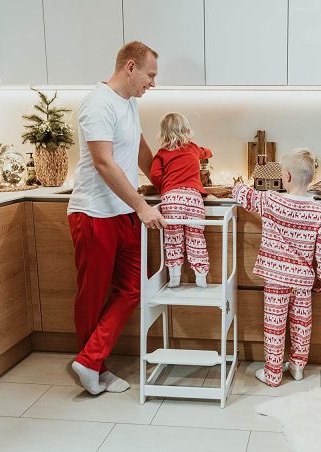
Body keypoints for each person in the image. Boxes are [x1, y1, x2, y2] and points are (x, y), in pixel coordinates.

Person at [67, 41, 167, 395]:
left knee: (132, 289)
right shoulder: (97, 103)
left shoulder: (129, 104)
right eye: (150, 75)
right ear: (130, 66)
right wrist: (142, 206)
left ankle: (90, 361)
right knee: (92, 296)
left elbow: (139, 150)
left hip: (124, 211)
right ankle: (96, 367)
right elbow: (103, 162)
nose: (152, 83)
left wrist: (166, 182)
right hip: (95, 214)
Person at [232, 148, 321, 387]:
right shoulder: (318, 210)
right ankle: (297, 366)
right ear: (311, 178)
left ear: (286, 177)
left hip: (276, 279)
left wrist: (237, 185)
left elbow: (243, 195)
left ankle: (273, 373)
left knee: (274, 325)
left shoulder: (271, 200)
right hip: (303, 280)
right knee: (301, 323)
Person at [150, 113, 212, 288]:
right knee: (196, 237)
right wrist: (206, 152)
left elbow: (155, 175)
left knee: (173, 237)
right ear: (186, 130)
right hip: (193, 198)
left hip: (171, 199)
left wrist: (166, 186)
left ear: (163, 133)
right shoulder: (193, 148)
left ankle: (174, 277)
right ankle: (201, 277)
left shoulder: (161, 153)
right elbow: (207, 152)